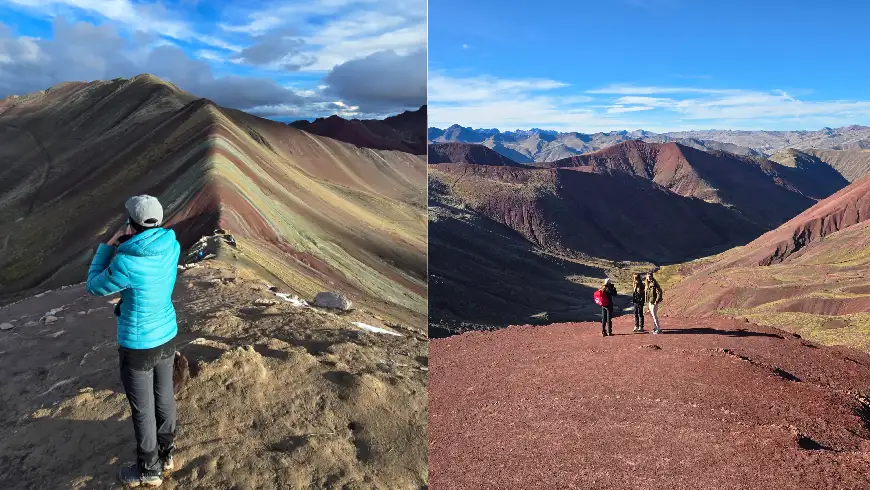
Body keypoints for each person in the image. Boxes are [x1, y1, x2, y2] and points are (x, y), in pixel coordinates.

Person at [86, 195, 181, 487]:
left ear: (130, 224)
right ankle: (167, 453)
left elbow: (94, 286)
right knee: (164, 396)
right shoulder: (172, 245)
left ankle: (149, 470)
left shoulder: (126, 262)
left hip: (138, 345)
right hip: (167, 335)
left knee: (143, 409)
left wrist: (108, 247)